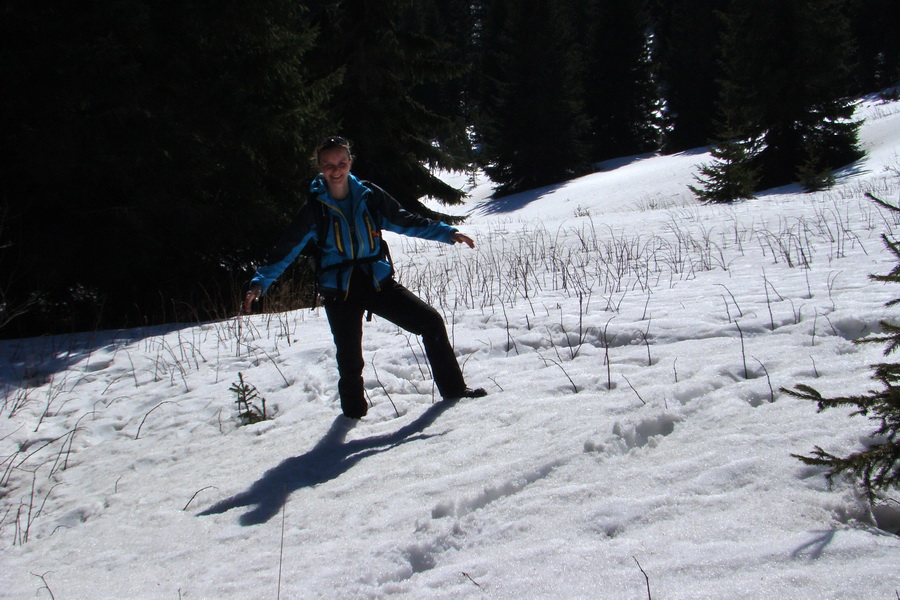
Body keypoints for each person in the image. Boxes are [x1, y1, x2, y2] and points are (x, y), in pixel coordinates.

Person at [243, 136, 486, 419]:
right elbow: (286, 249)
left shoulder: (368, 195)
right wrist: (260, 283)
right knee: (350, 361)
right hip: (340, 291)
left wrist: (446, 232)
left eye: (341, 163)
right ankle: (353, 417)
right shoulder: (314, 208)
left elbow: (404, 220)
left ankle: (454, 390)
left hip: (376, 282)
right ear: (319, 167)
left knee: (430, 321)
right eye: (328, 165)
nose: (336, 170)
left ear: (350, 162)